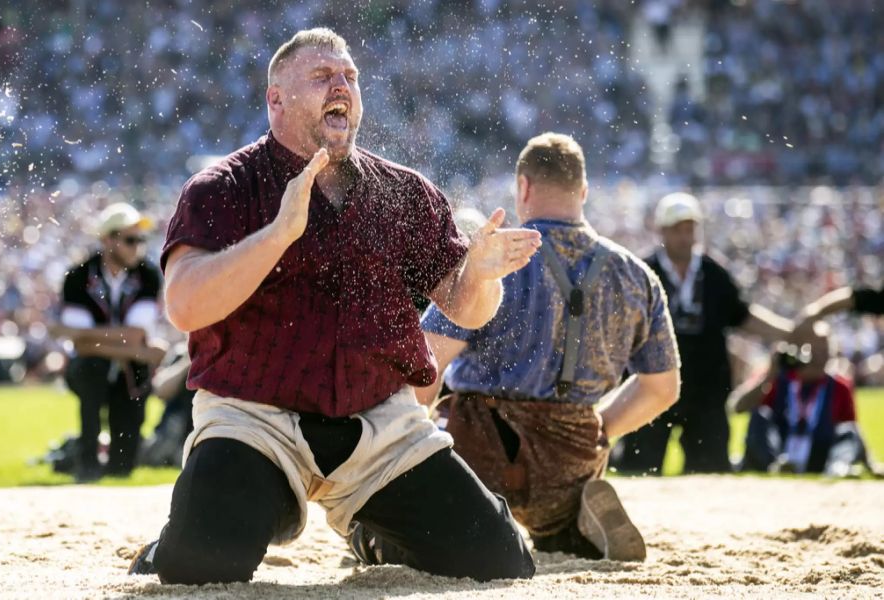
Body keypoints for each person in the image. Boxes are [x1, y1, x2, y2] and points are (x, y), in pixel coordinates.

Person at [128, 28, 541, 584]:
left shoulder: (404, 190)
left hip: (380, 426)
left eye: (349, 77)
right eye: (322, 77)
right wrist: (277, 234)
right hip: (256, 420)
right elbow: (183, 305)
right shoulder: (223, 186)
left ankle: (373, 535)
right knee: (200, 565)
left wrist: (483, 274)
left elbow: (466, 309)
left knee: (501, 562)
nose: (340, 86)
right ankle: (202, 530)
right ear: (275, 99)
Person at [418, 132, 681, 561]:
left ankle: (445, 524)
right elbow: (663, 388)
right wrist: (603, 429)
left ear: (523, 187)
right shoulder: (637, 275)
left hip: (481, 451)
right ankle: (572, 527)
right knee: (557, 524)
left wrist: (414, 441)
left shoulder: (493, 261)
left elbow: (425, 363)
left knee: (389, 528)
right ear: (583, 191)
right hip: (574, 455)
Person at [613, 193, 793, 474]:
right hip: (648, 388)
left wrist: (790, 332)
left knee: (711, 472)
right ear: (661, 231)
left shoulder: (715, 274)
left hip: (707, 391)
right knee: (639, 470)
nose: (685, 237)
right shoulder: (641, 272)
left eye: (689, 229)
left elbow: (741, 316)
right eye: (677, 230)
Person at [50, 202, 165, 482]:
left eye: (140, 240)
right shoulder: (77, 276)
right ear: (107, 240)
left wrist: (81, 336)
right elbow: (84, 347)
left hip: (130, 373)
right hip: (95, 368)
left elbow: (90, 336)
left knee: (123, 467)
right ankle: (86, 460)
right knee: (93, 369)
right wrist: (138, 350)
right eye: (130, 239)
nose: (137, 246)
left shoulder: (149, 275)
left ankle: (91, 460)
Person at [728, 322, 869, 476]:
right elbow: (737, 407)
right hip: (779, 452)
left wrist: (870, 463)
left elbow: (851, 433)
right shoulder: (777, 378)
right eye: (814, 352)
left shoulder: (839, 387)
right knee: (759, 416)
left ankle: (839, 468)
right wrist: (769, 376)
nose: (819, 359)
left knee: (847, 430)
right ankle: (775, 468)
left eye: (825, 352)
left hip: (819, 455)